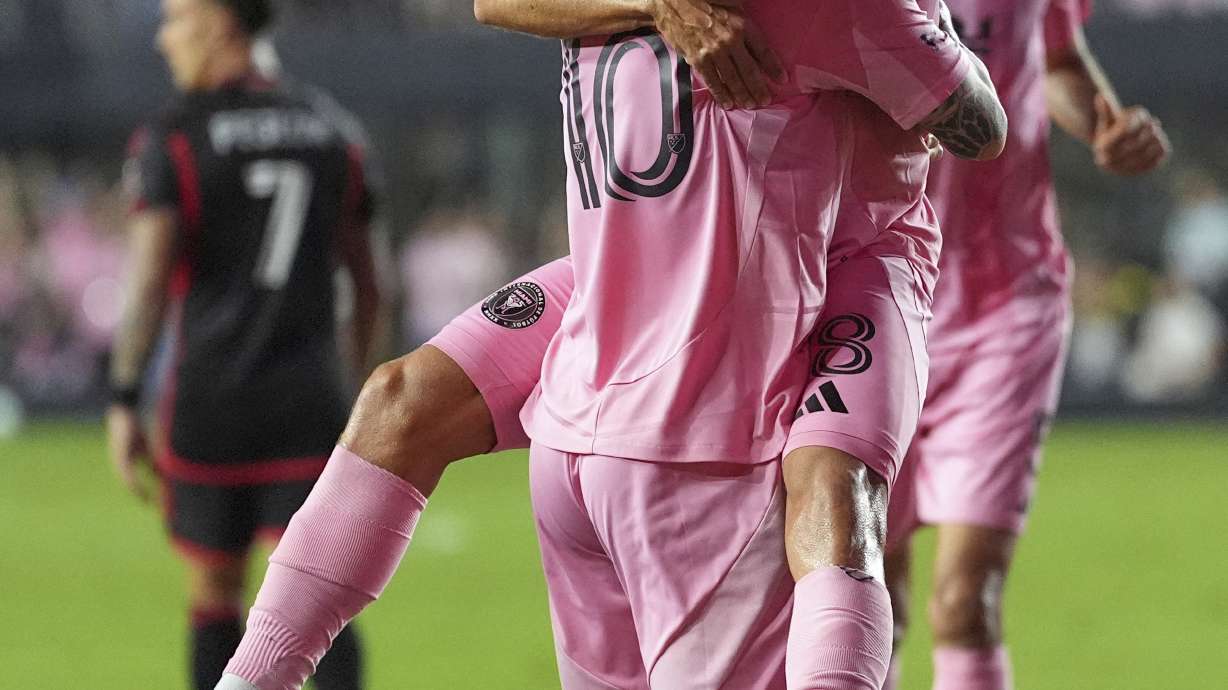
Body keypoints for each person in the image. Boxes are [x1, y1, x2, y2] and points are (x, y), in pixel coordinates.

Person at [216, 1, 1005, 689]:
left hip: (837, 265)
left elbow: (981, 124)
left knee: (832, 489)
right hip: (635, 273)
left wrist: (923, 42)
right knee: (402, 400)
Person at [880, 0, 1170, 687]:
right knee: (867, 591)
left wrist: (1106, 123)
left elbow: (1057, 60)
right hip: (875, 301)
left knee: (965, 601)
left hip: (1006, 306)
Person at [104, 1, 379, 688]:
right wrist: (358, 390)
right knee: (320, 602)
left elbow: (146, 285)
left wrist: (123, 396)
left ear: (221, 23)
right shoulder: (333, 131)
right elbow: (373, 285)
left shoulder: (173, 137)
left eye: (176, 20)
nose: (166, 40)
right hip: (310, 403)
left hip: (210, 405)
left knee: (215, 594)